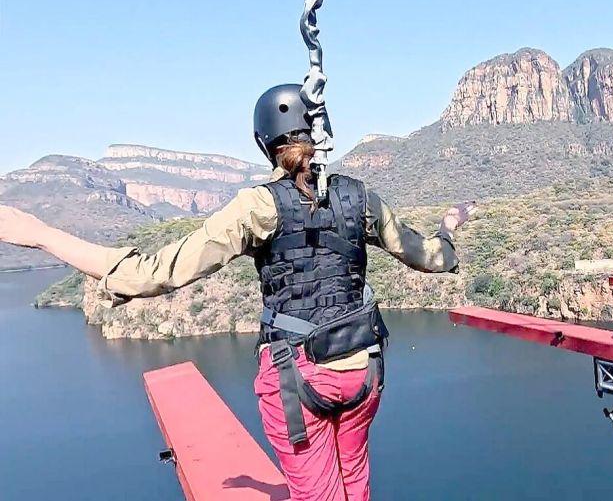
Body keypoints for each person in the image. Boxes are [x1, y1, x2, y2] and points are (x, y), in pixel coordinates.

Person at [0, 83, 478, 501]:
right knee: (354, 479)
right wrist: (448, 227)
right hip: (363, 371)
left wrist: (44, 235)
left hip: (299, 375)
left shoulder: (258, 207)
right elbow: (430, 256)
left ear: (263, 141)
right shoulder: (360, 196)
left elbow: (157, 272)